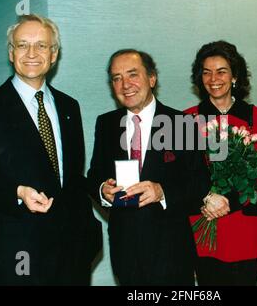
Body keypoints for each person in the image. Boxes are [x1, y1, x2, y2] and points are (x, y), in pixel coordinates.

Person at [0, 14, 102, 285]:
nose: (32, 53)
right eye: (22, 45)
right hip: (16, 256)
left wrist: (102, 191)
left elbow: (70, 178)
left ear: (54, 55)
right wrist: (17, 193)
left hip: (71, 256)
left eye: (42, 46)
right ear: (11, 53)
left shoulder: (69, 107)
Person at [87, 49, 228, 285]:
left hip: (171, 250)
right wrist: (103, 189)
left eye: (133, 75)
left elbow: (199, 184)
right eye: (116, 78)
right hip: (125, 250)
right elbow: (94, 176)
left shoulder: (180, 124)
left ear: (152, 78)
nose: (125, 85)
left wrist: (162, 191)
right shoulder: (107, 124)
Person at [184, 40, 257, 286]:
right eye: (206, 72)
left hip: (245, 225)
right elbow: (183, 174)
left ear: (235, 76)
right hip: (204, 223)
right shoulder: (187, 119)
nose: (213, 78)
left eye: (221, 71)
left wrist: (228, 201)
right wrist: (207, 198)